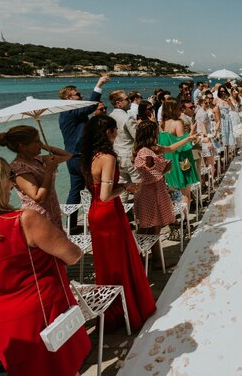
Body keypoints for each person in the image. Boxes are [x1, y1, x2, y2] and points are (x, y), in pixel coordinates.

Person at [0, 153, 90, 375]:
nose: (12, 183)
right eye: (8, 176)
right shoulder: (24, 221)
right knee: (62, 366)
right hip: (42, 307)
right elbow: (73, 255)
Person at [79, 115, 156, 331]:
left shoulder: (88, 156)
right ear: (108, 133)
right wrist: (126, 187)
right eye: (115, 130)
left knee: (106, 262)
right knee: (121, 259)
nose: (118, 134)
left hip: (94, 212)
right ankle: (129, 308)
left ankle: (113, 310)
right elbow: (105, 195)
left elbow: (96, 191)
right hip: (108, 212)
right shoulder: (108, 157)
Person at [0, 125, 72, 229]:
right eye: (36, 141)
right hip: (38, 218)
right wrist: (48, 170)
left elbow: (67, 155)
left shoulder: (38, 160)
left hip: (53, 213)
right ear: (22, 146)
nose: (40, 144)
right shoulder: (19, 168)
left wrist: (44, 146)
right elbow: (38, 198)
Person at [58, 75, 109, 232]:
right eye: (78, 94)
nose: (81, 96)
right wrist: (99, 84)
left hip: (72, 157)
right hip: (80, 157)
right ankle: (100, 221)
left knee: (75, 191)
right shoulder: (70, 110)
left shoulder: (67, 113)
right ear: (69, 97)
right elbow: (91, 105)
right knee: (97, 188)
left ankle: (71, 225)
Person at [132, 120, 192, 234]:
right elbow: (150, 176)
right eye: (156, 132)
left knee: (155, 225)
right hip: (150, 192)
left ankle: (154, 251)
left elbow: (170, 148)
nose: (158, 134)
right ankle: (138, 250)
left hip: (156, 189)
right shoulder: (146, 153)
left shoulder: (151, 148)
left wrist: (187, 138)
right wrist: (165, 170)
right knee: (148, 224)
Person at [159, 100, 199, 209]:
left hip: (168, 159)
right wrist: (191, 132)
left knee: (173, 190)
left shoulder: (161, 124)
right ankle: (185, 220)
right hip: (182, 159)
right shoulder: (177, 123)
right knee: (185, 191)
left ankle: (175, 217)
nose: (181, 111)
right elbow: (183, 145)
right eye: (179, 108)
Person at [108, 89, 140, 203]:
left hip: (117, 156)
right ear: (118, 103)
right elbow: (137, 138)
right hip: (129, 156)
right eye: (127, 99)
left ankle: (122, 215)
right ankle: (140, 216)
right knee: (138, 187)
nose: (130, 101)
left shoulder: (110, 117)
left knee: (122, 189)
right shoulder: (128, 118)